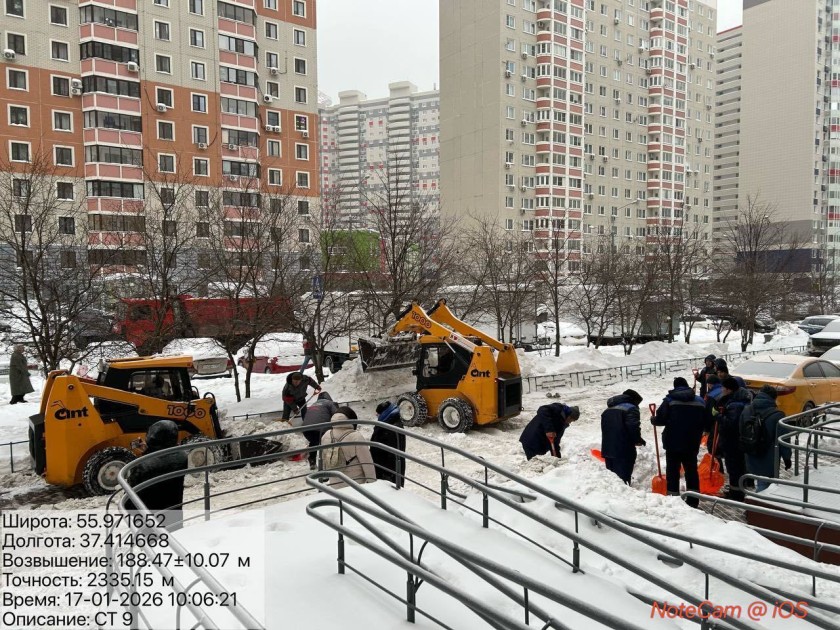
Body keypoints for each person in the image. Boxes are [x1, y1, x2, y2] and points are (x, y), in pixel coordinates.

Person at [653, 377, 711, 507]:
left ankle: (674, 499)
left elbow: (661, 419)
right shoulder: (700, 401)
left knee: (673, 470)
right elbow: (707, 421)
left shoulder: (669, 400)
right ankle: (693, 500)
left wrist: (653, 419)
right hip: (692, 442)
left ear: (675, 387)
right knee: (691, 470)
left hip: (673, 442)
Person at [125, 420, 188, 530]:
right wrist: (148, 452)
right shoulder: (182, 456)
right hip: (174, 519)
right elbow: (163, 459)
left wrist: (145, 455)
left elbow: (128, 502)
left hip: (149, 525)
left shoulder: (142, 466)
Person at [741, 384, 792, 491]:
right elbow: (784, 440)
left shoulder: (746, 410)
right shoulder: (778, 415)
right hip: (768, 456)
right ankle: (759, 505)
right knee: (765, 485)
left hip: (750, 452)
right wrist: (787, 458)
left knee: (759, 480)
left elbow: (741, 430)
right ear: (773, 398)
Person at [319, 406, 376, 487]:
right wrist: (372, 483)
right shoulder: (356, 437)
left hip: (334, 484)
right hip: (355, 485)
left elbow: (324, 458)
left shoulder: (326, 435)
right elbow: (367, 463)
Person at [717, 376, 752, 501]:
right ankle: (736, 489)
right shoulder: (739, 399)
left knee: (734, 467)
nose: (721, 389)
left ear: (729, 389)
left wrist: (719, 416)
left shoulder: (735, 405)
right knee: (737, 466)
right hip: (737, 440)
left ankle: (736, 494)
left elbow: (731, 424)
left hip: (733, 441)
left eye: (723, 387)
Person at [601, 389, 645, 485]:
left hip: (608, 449)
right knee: (623, 480)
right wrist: (638, 440)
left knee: (612, 481)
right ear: (633, 400)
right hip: (623, 450)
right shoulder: (631, 408)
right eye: (637, 402)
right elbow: (633, 426)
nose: (637, 405)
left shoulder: (607, 410)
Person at [370, 401, 407, 487]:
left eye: (378, 414)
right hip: (384, 469)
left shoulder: (391, 428)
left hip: (387, 472)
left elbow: (392, 454)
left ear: (384, 413)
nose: (377, 416)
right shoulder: (388, 422)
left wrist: (388, 475)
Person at [301, 391, 338, 469]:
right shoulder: (329, 403)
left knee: (314, 442)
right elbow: (337, 415)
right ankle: (328, 464)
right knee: (328, 441)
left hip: (305, 429)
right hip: (319, 428)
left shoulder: (313, 404)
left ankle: (312, 460)